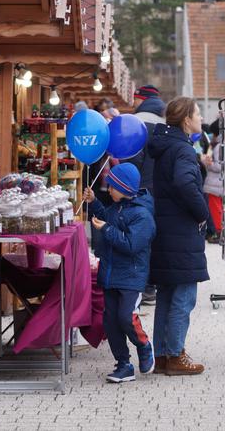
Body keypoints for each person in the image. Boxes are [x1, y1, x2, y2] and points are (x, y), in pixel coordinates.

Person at [148, 97, 209, 376]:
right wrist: (202, 213)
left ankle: (160, 355)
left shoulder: (166, 146)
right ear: (186, 120)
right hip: (182, 230)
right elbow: (185, 183)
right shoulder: (182, 150)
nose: (201, 118)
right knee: (183, 296)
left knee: (167, 294)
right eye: (197, 113)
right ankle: (175, 354)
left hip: (165, 228)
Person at [83, 163, 157, 383]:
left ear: (124, 188)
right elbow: (107, 217)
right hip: (110, 273)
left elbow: (131, 245)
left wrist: (105, 229)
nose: (109, 189)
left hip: (131, 277)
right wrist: (94, 202)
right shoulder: (117, 207)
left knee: (126, 317)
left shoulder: (143, 215)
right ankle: (123, 364)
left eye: (113, 186)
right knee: (110, 322)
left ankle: (143, 346)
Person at [129, 85, 166, 305]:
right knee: (156, 237)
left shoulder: (137, 121)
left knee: (139, 238)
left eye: (134, 99)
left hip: (141, 188)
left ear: (141, 99)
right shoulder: (165, 121)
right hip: (161, 189)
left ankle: (142, 287)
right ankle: (153, 286)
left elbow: (134, 159)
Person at [202, 120, 223, 244]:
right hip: (217, 183)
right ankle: (218, 232)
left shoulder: (219, 146)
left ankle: (218, 233)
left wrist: (209, 164)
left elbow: (220, 166)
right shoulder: (221, 144)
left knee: (215, 209)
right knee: (217, 208)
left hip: (214, 184)